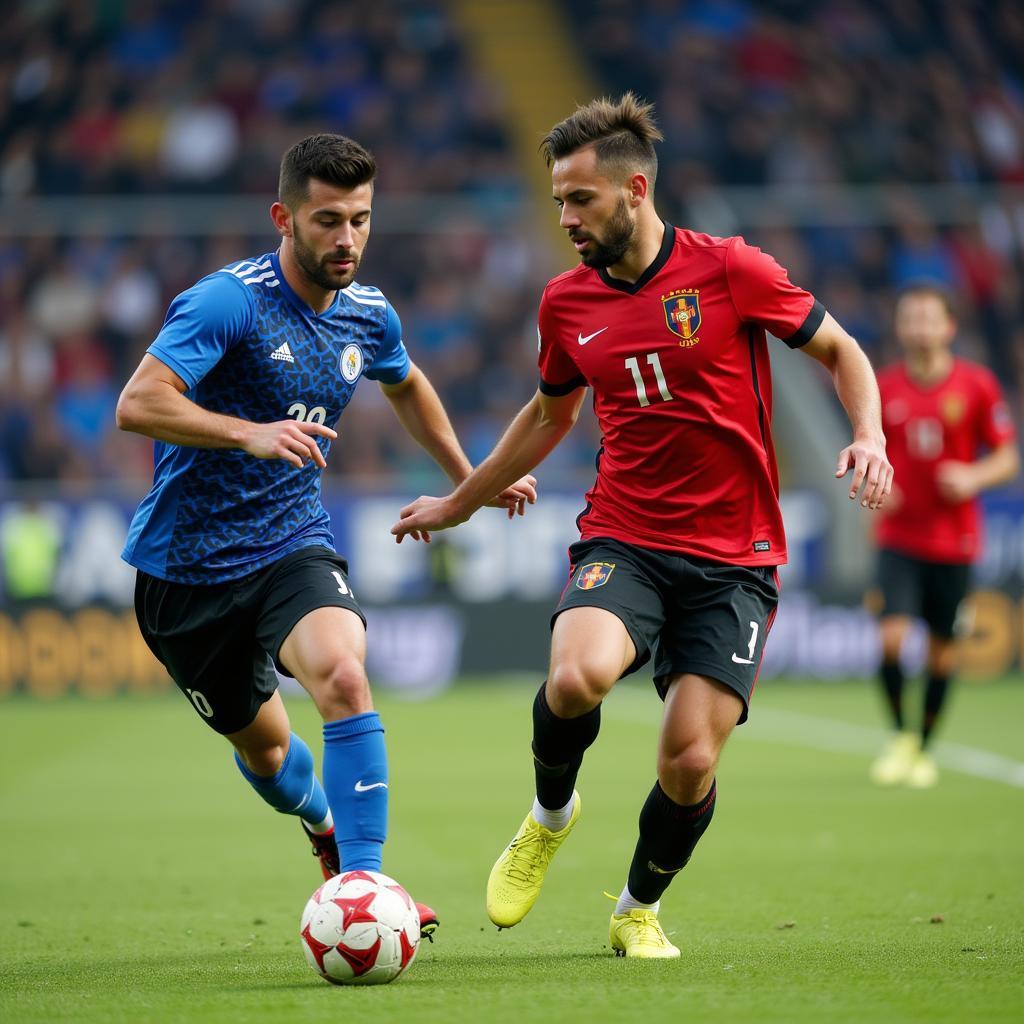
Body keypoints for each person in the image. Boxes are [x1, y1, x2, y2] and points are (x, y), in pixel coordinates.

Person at [391, 94, 892, 958]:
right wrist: (461, 498)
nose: (565, 217)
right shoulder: (563, 303)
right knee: (579, 677)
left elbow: (841, 349)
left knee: (691, 763)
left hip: (737, 559)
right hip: (627, 535)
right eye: (556, 201)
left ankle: (635, 907)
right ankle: (550, 815)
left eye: (579, 199)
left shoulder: (731, 270)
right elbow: (548, 417)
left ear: (634, 188)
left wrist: (870, 434)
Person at [116, 133, 536, 938]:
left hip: (290, 546)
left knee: (344, 675)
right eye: (328, 220)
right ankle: (322, 826)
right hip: (186, 574)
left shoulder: (369, 314)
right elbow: (139, 403)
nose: (347, 239)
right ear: (284, 217)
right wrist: (248, 432)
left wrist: (466, 477)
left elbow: (406, 384)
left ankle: (365, 885)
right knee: (273, 761)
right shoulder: (227, 301)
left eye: (361, 220)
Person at [869, 284, 1018, 788]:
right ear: (900, 327)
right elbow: (866, 448)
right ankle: (899, 738)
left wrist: (973, 477)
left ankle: (925, 748)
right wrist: (875, 481)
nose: (919, 328)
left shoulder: (975, 386)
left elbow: (1006, 456)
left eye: (929, 319)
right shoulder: (882, 387)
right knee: (890, 639)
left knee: (941, 653)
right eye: (910, 318)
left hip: (954, 541)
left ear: (950, 326)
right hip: (898, 536)